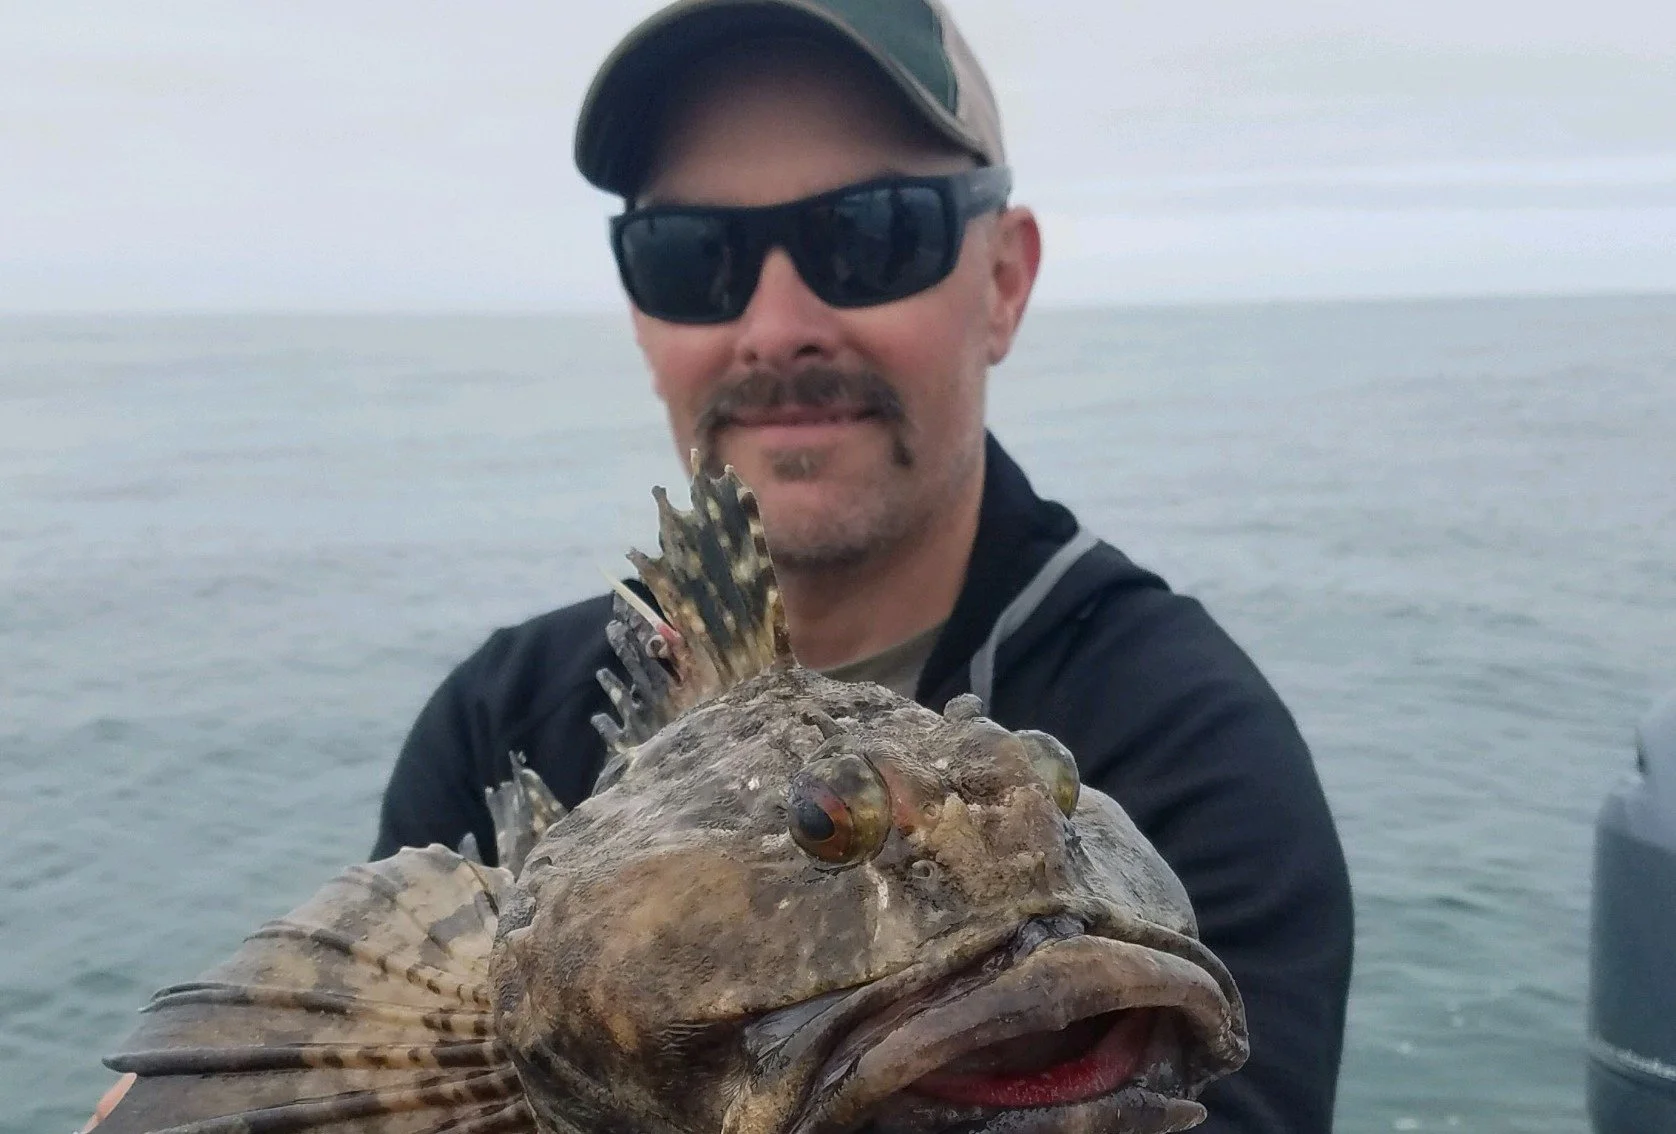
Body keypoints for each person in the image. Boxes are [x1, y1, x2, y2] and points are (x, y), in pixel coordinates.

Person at [91, 2, 1353, 1130]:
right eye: (693, 254)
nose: (776, 324)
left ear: (1004, 280)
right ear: (642, 310)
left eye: (873, 233)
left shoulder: (1197, 751)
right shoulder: (497, 715)